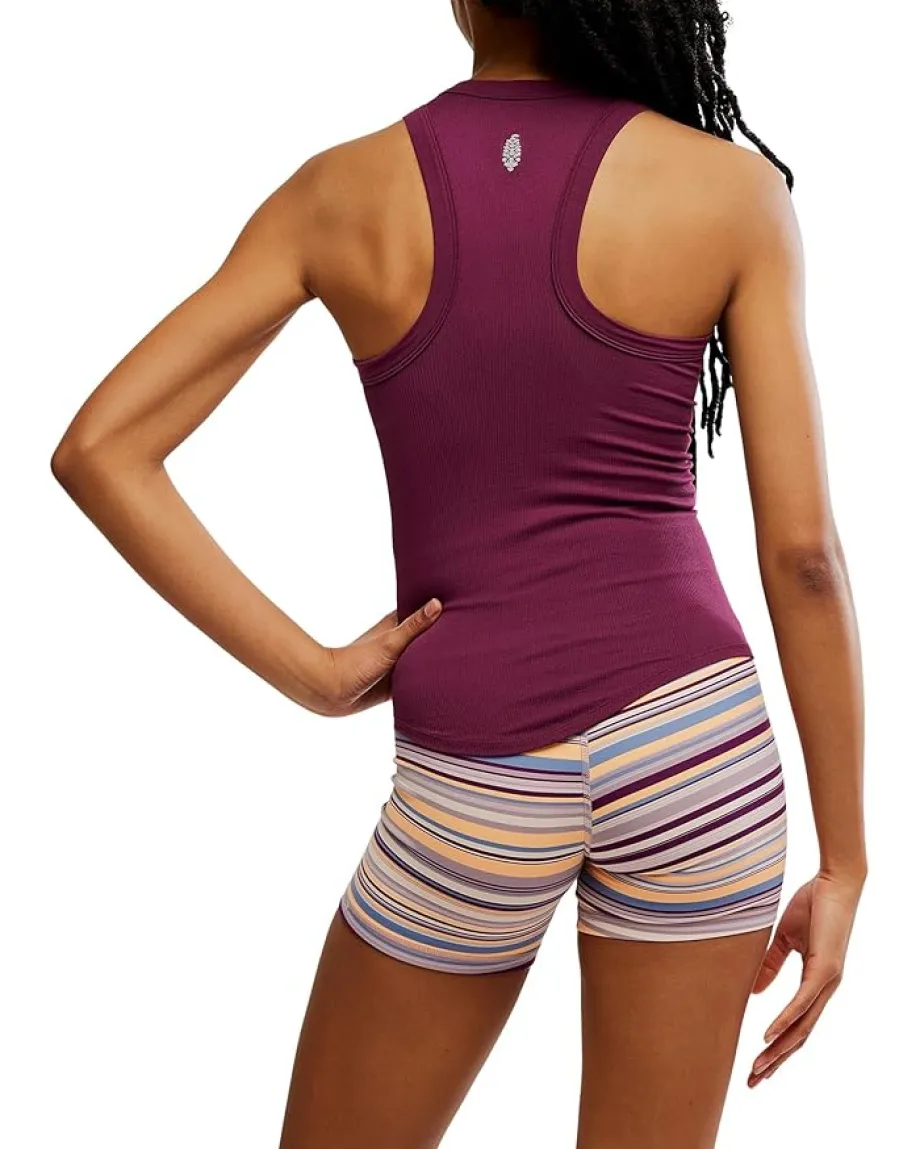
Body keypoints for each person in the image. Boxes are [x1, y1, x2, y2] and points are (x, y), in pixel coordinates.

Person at [50, 2, 867, 1146]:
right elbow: (803, 556)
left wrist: (316, 675)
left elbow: (99, 449)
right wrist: (843, 859)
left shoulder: (338, 195)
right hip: (696, 750)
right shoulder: (729, 192)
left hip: (477, 762)